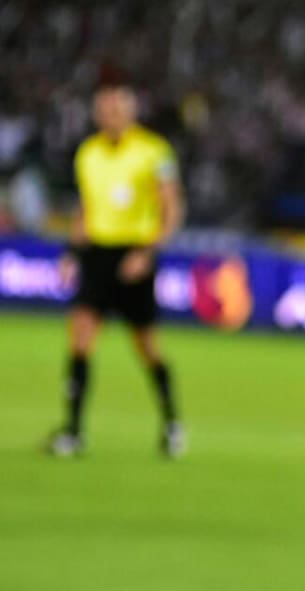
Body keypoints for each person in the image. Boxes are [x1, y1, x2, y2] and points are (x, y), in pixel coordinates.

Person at [48, 81, 186, 458]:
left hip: (134, 253)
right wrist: (71, 252)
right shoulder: (88, 153)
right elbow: (86, 209)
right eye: (104, 109)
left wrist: (147, 251)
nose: (110, 115)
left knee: (147, 346)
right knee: (80, 336)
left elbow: (172, 208)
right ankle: (73, 431)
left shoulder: (154, 151)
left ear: (130, 111)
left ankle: (172, 424)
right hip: (98, 253)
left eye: (116, 108)